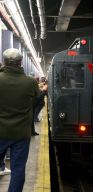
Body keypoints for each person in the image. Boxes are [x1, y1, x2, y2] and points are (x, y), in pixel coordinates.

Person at [0, 48, 39, 191]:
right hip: (21, 134)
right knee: (18, 169)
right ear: (21, 62)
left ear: (4, 62)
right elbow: (36, 99)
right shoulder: (30, 82)